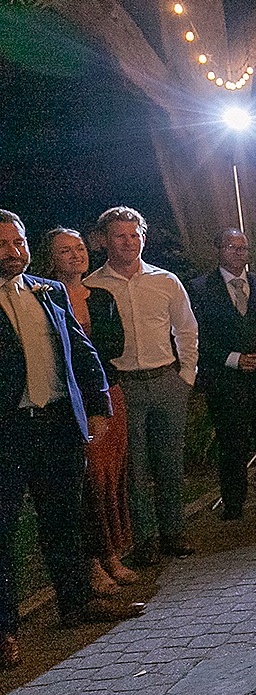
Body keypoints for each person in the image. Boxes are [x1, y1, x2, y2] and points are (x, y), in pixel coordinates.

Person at [1, 210, 142, 670]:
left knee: (64, 518)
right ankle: (5, 631)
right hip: (9, 431)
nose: (13, 252)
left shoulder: (48, 290)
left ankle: (76, 603)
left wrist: (99, 406)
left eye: (18, 242)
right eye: (3, 244)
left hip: (57, 425)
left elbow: (83, 352)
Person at [85, 206, 199, 564]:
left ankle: (174, 532)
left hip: (166, 380)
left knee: (169, 460)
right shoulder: (92, 286)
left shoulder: (166, 280)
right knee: (133, 468)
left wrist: (187, 376)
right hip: (124, 387)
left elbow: (186, 329)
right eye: (120, 236)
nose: (129, 242)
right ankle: (145, 540)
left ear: (143, 238)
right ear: (105, 241)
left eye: (134, 235)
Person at [41, 228, 136, 594]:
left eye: (79, 248)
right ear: (51, 258)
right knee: (87, 486)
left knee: (110, 481)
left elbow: (114, 344)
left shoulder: (101, 296)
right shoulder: (43, 296)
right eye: (65, 250)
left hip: (105, 394)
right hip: (69, 401)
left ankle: (112, 555)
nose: (75, 255)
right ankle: (94, 562)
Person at [187, 229, 256, 520]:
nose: (239, 253)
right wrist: (235, 360)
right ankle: (234, 502)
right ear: (219, 250)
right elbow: (198, 335)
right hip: (227, 380)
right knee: (232, 442)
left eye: (244, 248)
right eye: (232, 247)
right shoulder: (200, 289)